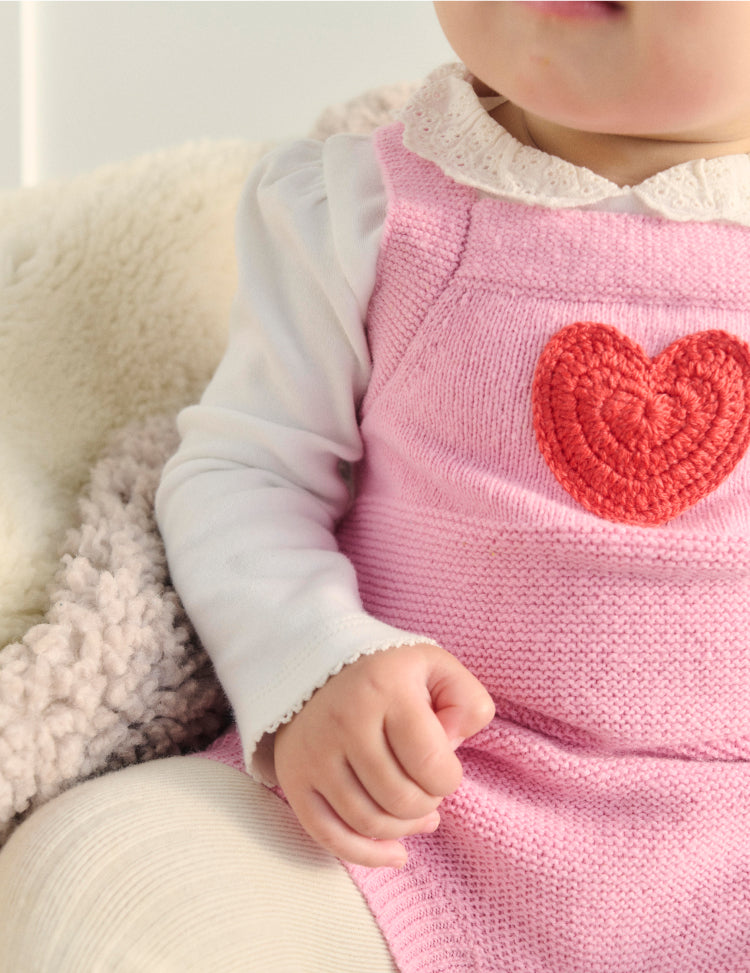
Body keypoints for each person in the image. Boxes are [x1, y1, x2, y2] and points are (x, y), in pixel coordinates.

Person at [3, 2, 750, 970]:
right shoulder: (364, 203)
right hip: (405, 805)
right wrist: (314, 666)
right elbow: (247, 467)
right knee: (106, 872)